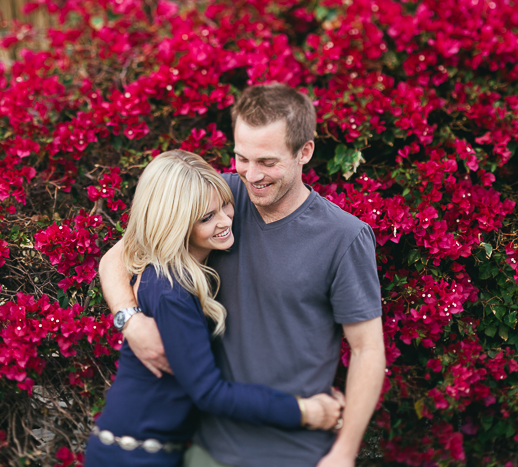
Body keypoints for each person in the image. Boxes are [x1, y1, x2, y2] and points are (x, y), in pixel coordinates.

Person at [99, 84, 386, 467]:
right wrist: (129, 320)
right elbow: (121, 254)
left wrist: (344, 453)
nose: (252, 175)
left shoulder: (344, 237)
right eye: (241, 158)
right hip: (206, 450)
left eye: (267, 162)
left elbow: (368, 349)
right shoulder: (220, 197)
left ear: (305, 151)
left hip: (295, 453)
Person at [86, 150, 345, 467]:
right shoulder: (170, 289)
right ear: (176, 224)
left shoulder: (185, 274)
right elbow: (210, 393)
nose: (224, 221)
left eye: (225, 205)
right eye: (207, 218)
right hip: (132, 457)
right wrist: (305, 411)